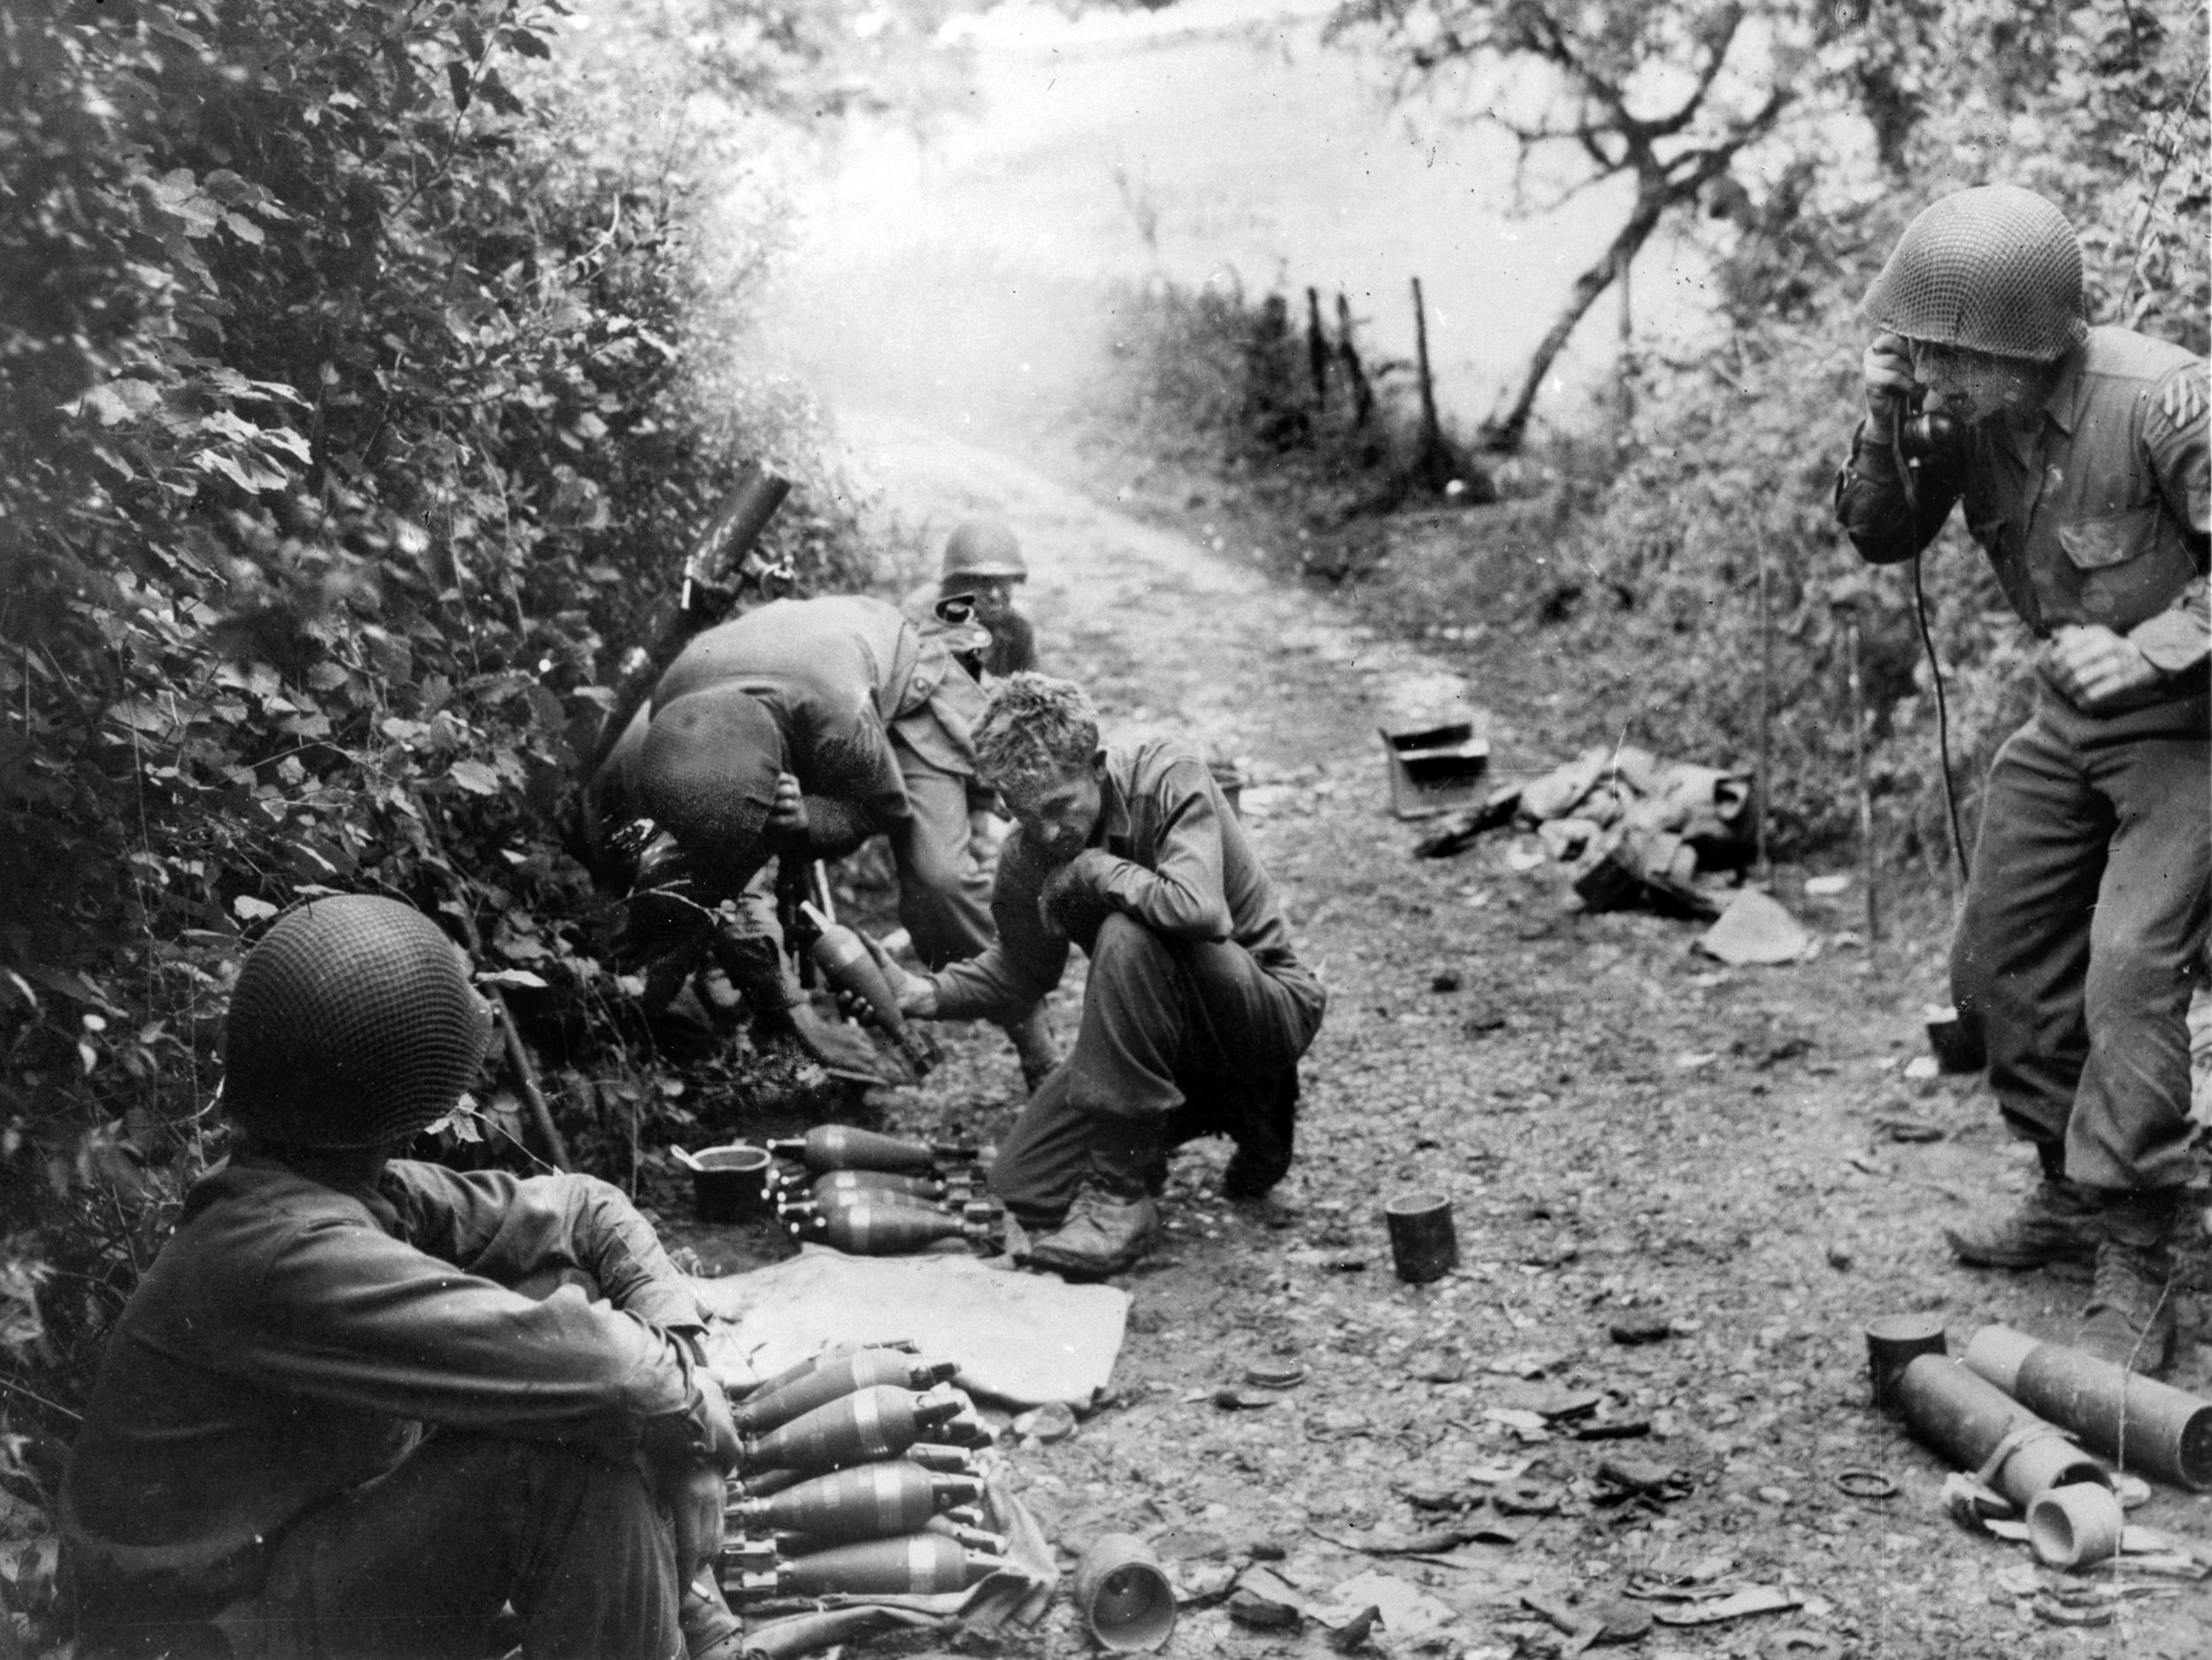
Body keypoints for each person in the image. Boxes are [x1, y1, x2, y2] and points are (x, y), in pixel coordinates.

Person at [58, 895, 747, 1660]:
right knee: (568, 1455)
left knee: (556, 1301)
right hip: (197, 1639)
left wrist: (683, 1352)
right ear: (415, 1104)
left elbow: (584, 1210)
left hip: (280, 1585)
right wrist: (695, 1423)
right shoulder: (286, 1253)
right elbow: (622, 1378)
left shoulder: (323, 1190)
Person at [1833, 184, 2208, 1375]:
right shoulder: (1957, 414)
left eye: (1950, 356)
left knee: (2129, 966)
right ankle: (2067, 1189)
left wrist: (2154, 648)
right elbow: (1880, 534)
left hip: (2194, 727)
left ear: (2029, 346)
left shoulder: (2163, 400)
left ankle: (2143, 1251)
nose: (1931, 375)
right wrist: (1884, 423)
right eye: (1919, 352)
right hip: (2070, 721)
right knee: (1993, 958)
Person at [884, 674, 1326, 1278]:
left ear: (1095, 766)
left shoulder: (1166, 777)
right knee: (1021, 1186)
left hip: (1262, 1012)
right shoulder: (1030, 849)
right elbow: (1020, 971)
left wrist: (1095, 870)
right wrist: (924, 992)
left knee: (1127, 932)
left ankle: (1122, 1196)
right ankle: (1218, 1109)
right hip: (1162, 1043)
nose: (1046, 832)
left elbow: (1200, 910)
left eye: (1057, 807)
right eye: (1021, 813)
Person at [586, 594, 1056, 1086]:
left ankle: (1031, 1033)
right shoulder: (669, 725)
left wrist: (809, 816)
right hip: (790, 676)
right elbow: (725, 876)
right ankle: (753, 1002)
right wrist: (798, 1015)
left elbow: (884, 808)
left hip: (891, 680)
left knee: (940, 882)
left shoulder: (839, 724)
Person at [902, 518, 1039, 682]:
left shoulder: (1017, 630)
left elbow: (1029, 688)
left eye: (1003, 582)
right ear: (955, 583)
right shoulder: (920, 618)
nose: (995, 594)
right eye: (983, 582)